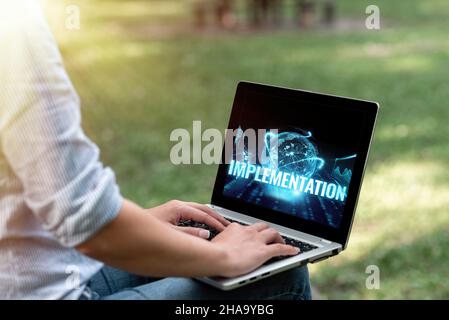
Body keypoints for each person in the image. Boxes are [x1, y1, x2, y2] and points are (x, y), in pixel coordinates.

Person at [0, 0, 311, 300]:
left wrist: (142, 226)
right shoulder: (15, 26)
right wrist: (222, 255)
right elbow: (86, 217)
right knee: (282, 276)